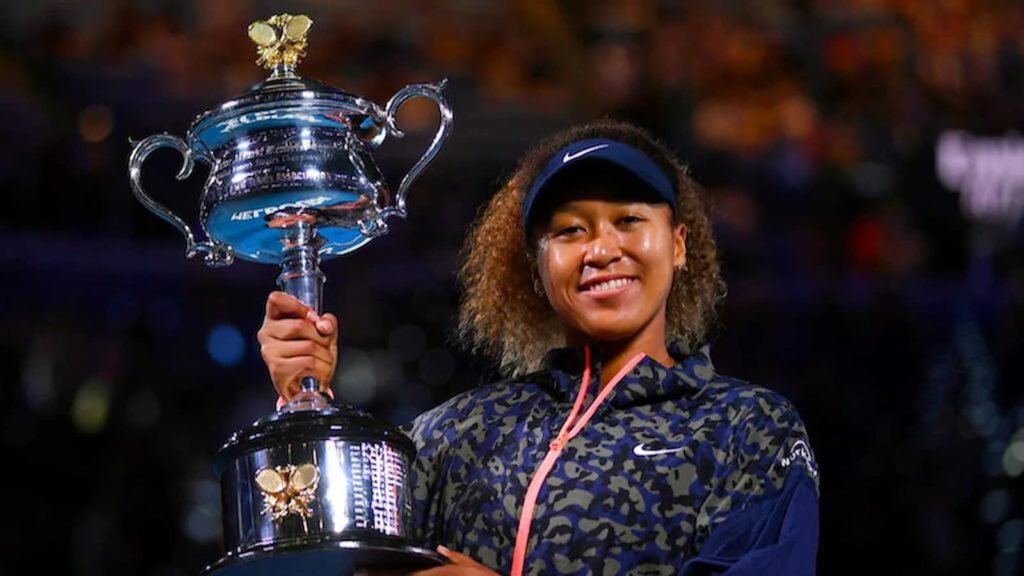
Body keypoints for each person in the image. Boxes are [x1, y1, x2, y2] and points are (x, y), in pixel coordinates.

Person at [258, 119, 820, 575]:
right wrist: (305, 402)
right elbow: (333, 557)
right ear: (534, 269)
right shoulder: (454, 436)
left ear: (677, 245)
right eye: (570, 230)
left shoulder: (746, 430)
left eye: (628, 220)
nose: (601, 249)